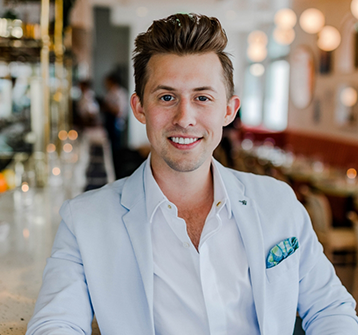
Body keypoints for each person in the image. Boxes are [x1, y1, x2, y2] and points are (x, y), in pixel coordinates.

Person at [26, 13, 358, 335]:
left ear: (229, 109)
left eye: (202, 97)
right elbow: (56, 322)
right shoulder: (84, 220)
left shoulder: (278, 201)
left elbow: (330, 308)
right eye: (167, 97)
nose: (185, 118)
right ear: (140, 107)